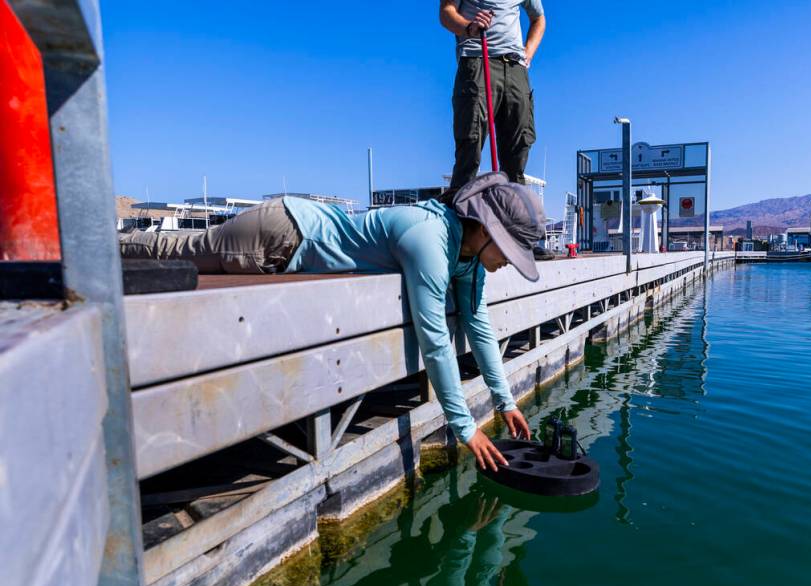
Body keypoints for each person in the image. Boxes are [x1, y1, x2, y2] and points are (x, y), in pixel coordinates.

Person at [119, 172, 546, 470]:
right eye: (509, 253)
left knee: (176, 249)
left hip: (294, 240)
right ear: (486, 231)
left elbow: (477, 323)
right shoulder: (429, 239)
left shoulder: (466, 259)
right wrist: (466, 428)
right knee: (173, 250)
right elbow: (434, 338)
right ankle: (103, 245)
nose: (508, 264)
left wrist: (504, 400)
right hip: (281, 236)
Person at [440, 0, 546, 191]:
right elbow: (447, 12)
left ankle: (511, 212)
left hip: (515, 67)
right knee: (470, 145)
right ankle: (459, 215)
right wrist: (469, 27)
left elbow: (538, 19)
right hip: (478, 59)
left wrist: (528, 52)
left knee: (519, 146)